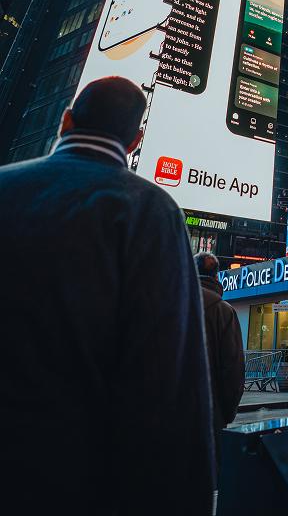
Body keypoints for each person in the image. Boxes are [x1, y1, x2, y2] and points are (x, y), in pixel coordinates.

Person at [0, 76, 214, 515]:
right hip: (75, 482)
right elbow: (169, 376)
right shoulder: (151, 210)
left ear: (64, 121)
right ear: (136, 140)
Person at [195, 252, 245, 466]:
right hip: (209, 413)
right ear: (217, 276)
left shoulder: (168, 301)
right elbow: (233, 370)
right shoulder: (224, 312)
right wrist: (225, 413)